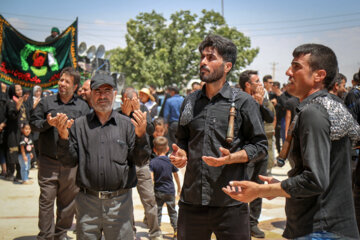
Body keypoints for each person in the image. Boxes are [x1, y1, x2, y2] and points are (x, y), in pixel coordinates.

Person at [223, 43, 360, 240]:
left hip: (320, 229)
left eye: (296, 66)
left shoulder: (314, 113)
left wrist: (261, 190)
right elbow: (323, 173)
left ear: (319, 75)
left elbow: (315, 180)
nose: (288, 72)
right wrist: (281, 187)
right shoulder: (333, 105)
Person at [170, 34, 267, 240]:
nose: (203, 62)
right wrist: (182, 154)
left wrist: (233, 157)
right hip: (192, 202)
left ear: (227, 66)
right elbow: (183, 139)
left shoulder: (243, 102)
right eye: (202, 57)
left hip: (231, 201)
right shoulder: (190, 101)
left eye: (211, 58)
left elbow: (260, 146)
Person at [55, 73, 151, 239]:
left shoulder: (127, 125)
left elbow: (141, 160)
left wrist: (141, 135)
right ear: (91, 95)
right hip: (87, 204)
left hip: (120, 204)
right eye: (97, 91)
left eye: (107, 91)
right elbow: (68, 162)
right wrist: (63, 137)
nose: (102, 95)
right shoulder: (79, 125)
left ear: (115, 94)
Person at [30, 67, 90, 240]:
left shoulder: (82, 107)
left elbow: (88, 131)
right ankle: (45, 235)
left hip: (71, 163)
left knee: (68, 203)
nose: (62, 84)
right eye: (61, 80)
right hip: (48, 161)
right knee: (46, 200)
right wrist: (49, 123)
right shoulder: (46, 102)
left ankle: (60, 234)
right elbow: (33, 123)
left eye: (67, 81)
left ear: (75, 86)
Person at [118, 86, 163, 240]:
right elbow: (116, 132)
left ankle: (155, 232)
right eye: (128, 99)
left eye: (134, 99)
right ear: (123, 99)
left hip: (142, 161)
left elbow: (150, 129)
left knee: (149, 200)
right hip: (124, 164)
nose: (131, 102)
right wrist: (124, 115)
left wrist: (138, 113)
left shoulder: (143, 109)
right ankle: (130, 231)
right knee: (125, 202)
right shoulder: (118, 113)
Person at [239, 70, 274, 238]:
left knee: (258, 188)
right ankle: (239, 222)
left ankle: (253, 223)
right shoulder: (238, 99)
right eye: (257, 81)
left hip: (261, 151)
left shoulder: (262, 98)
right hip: (245, 152)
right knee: (242, 187)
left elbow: (270, 117)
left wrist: (260, 104)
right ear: (248, 84)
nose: (260, 84)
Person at [150, 136, 181, 240]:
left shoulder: (153, 162)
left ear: (154, 150)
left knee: (157, 211)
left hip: (158, 191)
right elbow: (176, 175)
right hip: (170, 191)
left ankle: (157, 232)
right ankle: (176, 231)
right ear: (168, 148)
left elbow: (151, 178)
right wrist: (179, 187)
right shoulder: (170, 161)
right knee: (172, 212)